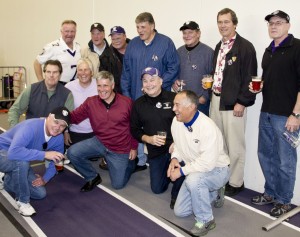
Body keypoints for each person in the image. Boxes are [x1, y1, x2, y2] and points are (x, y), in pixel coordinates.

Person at [250, 10, 300, 217]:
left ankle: (284, 200)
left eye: (278, 22)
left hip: (286, 116)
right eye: (271, 23)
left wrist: (296, 115)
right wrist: (258, 87)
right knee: (265, 155)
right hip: (267, 112)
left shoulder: (297, 47)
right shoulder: (268, 50)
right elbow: (271, 79)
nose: (273, 26)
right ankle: (270, 192)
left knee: (285, 160)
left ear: (288, 25)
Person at [207, 8, 257, 196]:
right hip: (216, 100)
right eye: (220, 22)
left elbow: (250, 78)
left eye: (226, 22)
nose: (223, 26)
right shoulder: (219, 46)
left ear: (234, 24)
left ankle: (236, 182)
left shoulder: (245, 47)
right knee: (220, 144)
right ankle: (224, 178)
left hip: (234, 103)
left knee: (235, 146)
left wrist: (242, 102)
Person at [121, 12, 180, 171]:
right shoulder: (132, 44)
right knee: (136, 127)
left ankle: (167, 161)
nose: (140, 30)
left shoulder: (166, 43)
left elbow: (174, 67)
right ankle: (139, 161)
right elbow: (126, 72)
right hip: (135, 96)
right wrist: (126, 96)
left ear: (152, 26)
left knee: (160, 129)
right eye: (137, 27)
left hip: (159, 99)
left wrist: (157, 85)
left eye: (143, 27)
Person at [168, 90, 230, 236]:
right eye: (173, 104)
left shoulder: (207, 127)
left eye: (177, 105)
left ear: (191, 107)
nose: (173, 109)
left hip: (218, 170)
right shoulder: (176, 121)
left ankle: (206, 220)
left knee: (194, 181)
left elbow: (207, 164)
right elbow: (177, 144)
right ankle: (214, 192)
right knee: (180, 212)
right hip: (197, 170)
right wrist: (175, 159)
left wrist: (181, 171)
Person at [67, 71, 138, 191]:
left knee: (118, 185)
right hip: (100, 142)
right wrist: (60, 117)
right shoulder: (91, 102)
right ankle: (92, 176)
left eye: (105, 85)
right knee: (72, 152)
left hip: (120, 148)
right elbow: (74, 117)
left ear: (112, 86)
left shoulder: (126, 103)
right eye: (99, 86)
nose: (102, 89)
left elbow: (135, 126)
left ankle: (130, 164)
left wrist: (134, 147)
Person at [0, 107, 71, 216]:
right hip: (3, 152)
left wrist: (45, 179)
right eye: (56, 122)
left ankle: (5, 178)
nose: (58, 127)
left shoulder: (58, 138)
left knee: (39, 193)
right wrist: (45, 154)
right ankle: (22, 201)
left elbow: (56, 161)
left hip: (17, 160)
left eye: (62, 126)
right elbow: (13, 152)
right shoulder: (30, 127)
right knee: (22, 162)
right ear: (49, 117)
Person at [130, 67, 184, 209]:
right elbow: (134, 130)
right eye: (145, 81)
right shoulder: (138, 104)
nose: (149, 84)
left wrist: (177, 144)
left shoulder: (174, 99)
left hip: (177, 149)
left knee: (181, 170)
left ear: (161, 81)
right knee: (157, 189)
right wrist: (148, 139)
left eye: (152, 80)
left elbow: (186, 122)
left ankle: (177, 193)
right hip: (156, 151)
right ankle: (170, 173)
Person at [8, 60, 74, 128]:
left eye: (55, 72)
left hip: (55, 134)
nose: (51, 75)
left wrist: (65, 131)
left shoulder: (67, 94)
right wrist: (14, 130)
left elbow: (68, 120)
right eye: (48, 72)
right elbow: (15, 110)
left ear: (60, 74)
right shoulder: (31, 89)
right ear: (44, 73)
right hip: (31, 132)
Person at [173, 21, 214, 116]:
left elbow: (214, 77)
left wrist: (205, 97)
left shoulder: (208, 52)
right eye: (184, 33)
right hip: (182, 102)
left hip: (200, 103)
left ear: (198, 33)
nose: (187, 35)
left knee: (200, 130)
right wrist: (174, 82)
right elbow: (173, 72)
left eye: (190, 32)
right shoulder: (178, 52)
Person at [34, 20, 80, 84]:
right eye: (66, 31)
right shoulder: (52, 47)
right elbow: (37, 63)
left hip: (75, 85)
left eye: (72, 31)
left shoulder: (78, 47)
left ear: (75, 32)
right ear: (61, 32)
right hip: (58, 85)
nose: (69, 34)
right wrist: (41, 82)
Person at [64, 58, 98, 147]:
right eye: (80, 70)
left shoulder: (99, 85)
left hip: (95, 133)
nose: (83, 73)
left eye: (86, 70)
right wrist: (65, 132)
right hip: (75, 133)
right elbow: (65, 111)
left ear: (91, 72)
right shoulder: (68, 87)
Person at [109, 26, 130, 94]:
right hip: (119, 95)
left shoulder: (136, 49)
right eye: (113, 39)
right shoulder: (108, 56)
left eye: (118, 38)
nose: (116, 41)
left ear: (124, 36)